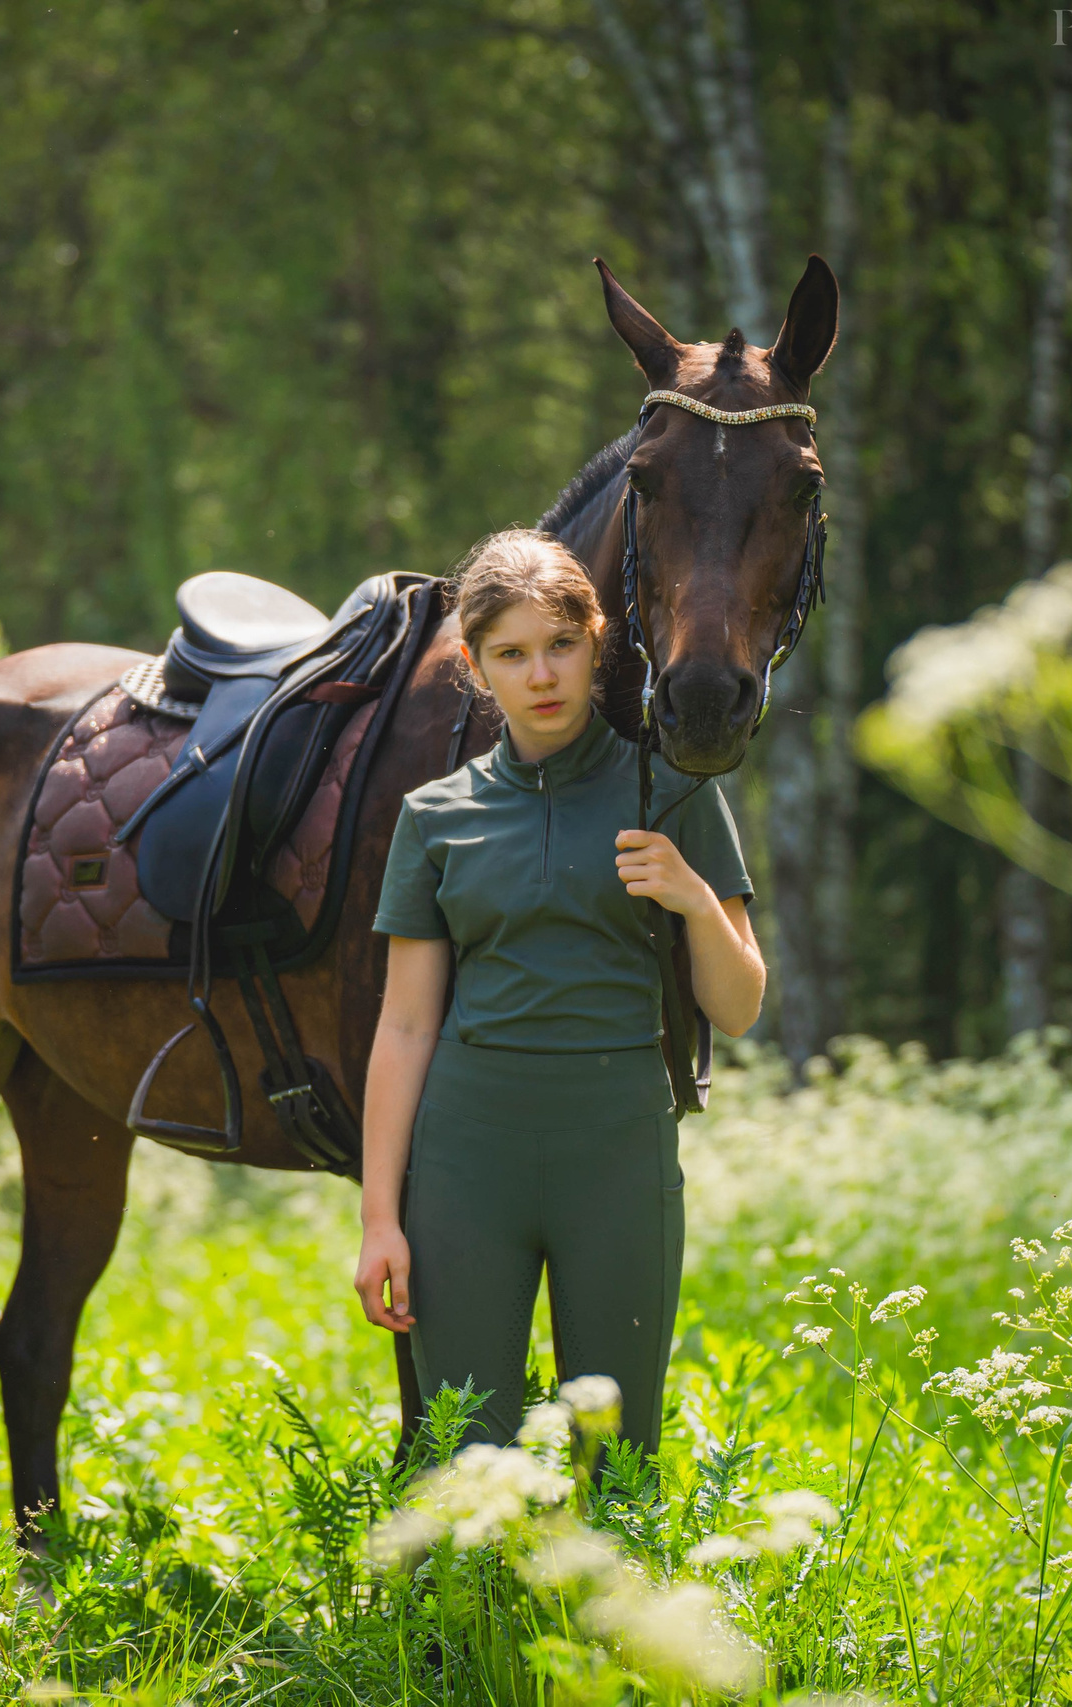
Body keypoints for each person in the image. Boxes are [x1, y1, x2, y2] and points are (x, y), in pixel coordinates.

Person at [353, 528, 766, 1457]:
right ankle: (471, 1609)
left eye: (561, 645)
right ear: (475, 665)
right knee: (467, 1454)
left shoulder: (675, 796)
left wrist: (694, 898)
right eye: (511, 653)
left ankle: (607, 1607)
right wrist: (382, 1217)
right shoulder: (435, 818)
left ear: (599, 640)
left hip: (618, 1156)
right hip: (465, 1162)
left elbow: (738, 1006)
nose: (541, 674)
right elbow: (407, 1025)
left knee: (617, 1449)